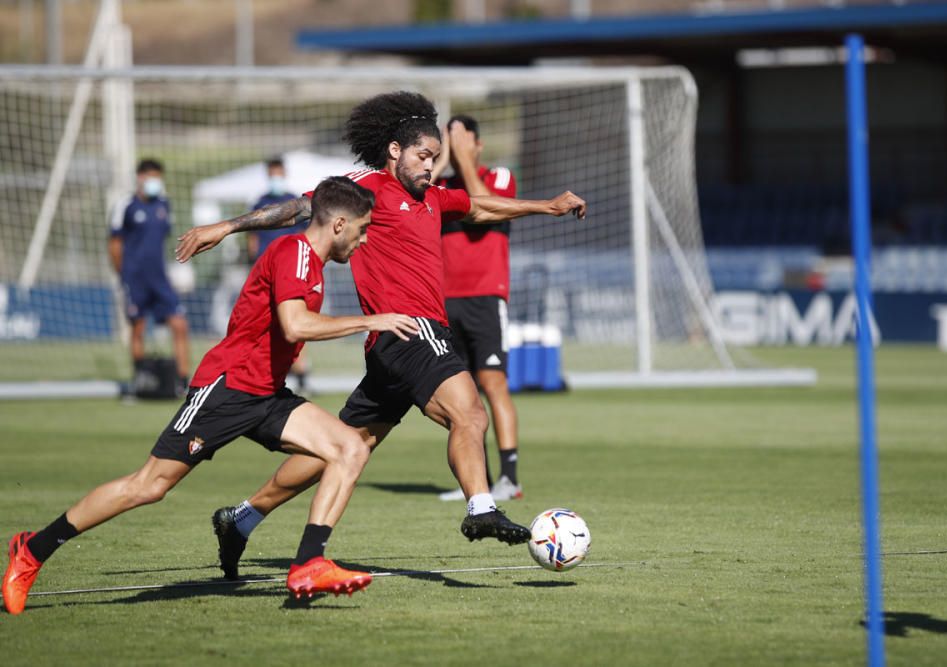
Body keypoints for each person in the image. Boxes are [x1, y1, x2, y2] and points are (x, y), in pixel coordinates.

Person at [174, 91, 586, 581]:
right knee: (470, 412)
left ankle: (241, 519)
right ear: (394, 150)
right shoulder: (366, 187)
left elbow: (478, 207)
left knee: (347, 445)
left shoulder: (431, 197)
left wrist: (549, 206)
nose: (431, 167)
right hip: (413, 331)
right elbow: (300, 209)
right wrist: (227, 225)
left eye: (436, 158)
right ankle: (480, 507)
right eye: (423, 156)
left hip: (388, 349)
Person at [3, 176, 422, 614]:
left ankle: (309, 563)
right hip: (227, 389)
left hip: (266, 395)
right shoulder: (295, 253)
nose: (364, 238)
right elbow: (295, 325)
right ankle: (32, 549)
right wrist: (370, 322)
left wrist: (224, 227)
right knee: (148, 486)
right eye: (362, 229)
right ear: (338, 225)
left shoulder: (311, 262)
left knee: (349, 449)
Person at [431, 115, 523, 502]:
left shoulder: (499, 176)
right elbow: (413, 193)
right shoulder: (439, 187)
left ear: (478, 144)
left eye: (460, 137)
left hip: (485, 296)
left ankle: (510, 478)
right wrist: (443, 158)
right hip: (443, 300)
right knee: (461, 393)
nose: (453, 145)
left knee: (492, 382)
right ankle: (477, 480)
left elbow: (483, 203)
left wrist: (463, 157)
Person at [109, 158, 191, 394]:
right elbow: (115, 243)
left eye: (158, 177)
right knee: (138, 326)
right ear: (140, 178)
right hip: (135, 278)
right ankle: (141, 378)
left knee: (179, 324)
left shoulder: (164, 205)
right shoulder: (126, 205)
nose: (155, 182)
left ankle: (183, 382)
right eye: (150, 177)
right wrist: (123, 274)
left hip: (160, 278)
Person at [247, 157, 312, 395]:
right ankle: (264, 374)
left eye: (279, 172)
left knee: (295, 319)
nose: (276, 176)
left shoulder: (295, 201)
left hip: (291, 271)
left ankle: (301, 373)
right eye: (272, 172)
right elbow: (252, 238)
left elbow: (307, 235)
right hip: (266, 271)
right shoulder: (260, 202)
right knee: (265, 323)